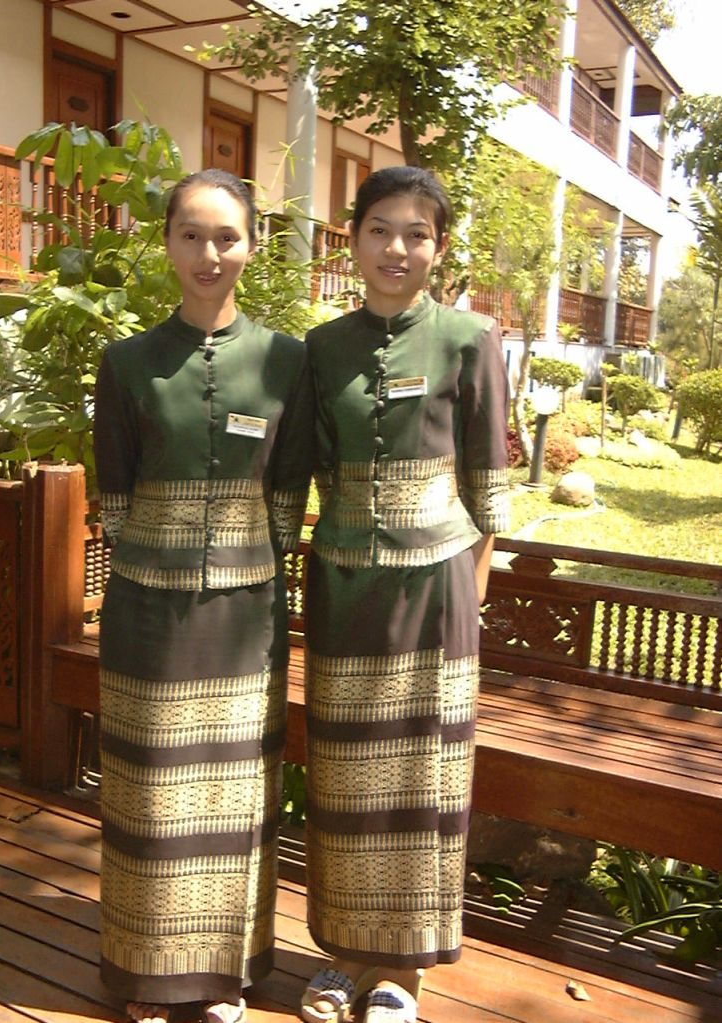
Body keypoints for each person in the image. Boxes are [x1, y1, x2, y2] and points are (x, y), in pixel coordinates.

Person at [94, 168, 313, 1023]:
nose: (209, 252)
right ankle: (145, 976)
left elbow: (288, 494)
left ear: (251, 246)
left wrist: (243, 563)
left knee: (232, 795)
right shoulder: (127, 363)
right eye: (192, 234)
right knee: (148, 789)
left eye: (227, 236)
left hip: (246, 614)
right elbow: (115, 496)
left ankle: (222, 975)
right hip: (147, 612)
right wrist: (167, 557)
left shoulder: (287, 360)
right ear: (167, 243)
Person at [301, 166, 510, 1023]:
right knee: (347, 775)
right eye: (379, 228)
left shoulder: (470, 338)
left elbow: (489, 487)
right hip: (344, 582)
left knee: (421, 777)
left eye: (415, 233)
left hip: (437, 591)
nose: (397, 247)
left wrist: (472, 593)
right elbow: (310, 464)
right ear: (350, 238)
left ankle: (404, 973)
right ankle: (345, 954)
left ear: (439, 248)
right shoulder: (319, 348)